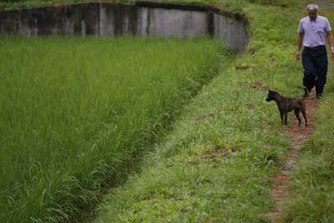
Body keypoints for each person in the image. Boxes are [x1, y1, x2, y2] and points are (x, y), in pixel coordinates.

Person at [295, 3, 334, 99]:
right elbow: (300, 36)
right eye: (310, 14)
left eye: (313, 14)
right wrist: (298, 51)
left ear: (317, 12)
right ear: (307, 12)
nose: (312, 16)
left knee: (322, 74)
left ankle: (319, 94)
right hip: (308, 52)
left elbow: (329, 34)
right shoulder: (303, 21)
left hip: (320, 51)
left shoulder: (324, 20)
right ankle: (307, 89)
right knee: (309, 73)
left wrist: (332, 48)